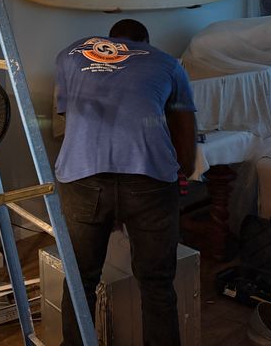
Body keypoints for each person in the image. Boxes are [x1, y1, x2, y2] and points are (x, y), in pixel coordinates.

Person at [54, 19, 196, 346]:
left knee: (80, 280)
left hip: (83, 176)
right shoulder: (167, 63)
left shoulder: (70, 55)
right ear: (145, 42)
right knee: (157, 284)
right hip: (149, 181)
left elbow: (71, 118)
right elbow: (186, 142)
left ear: (110, 40)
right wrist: (180, 176)